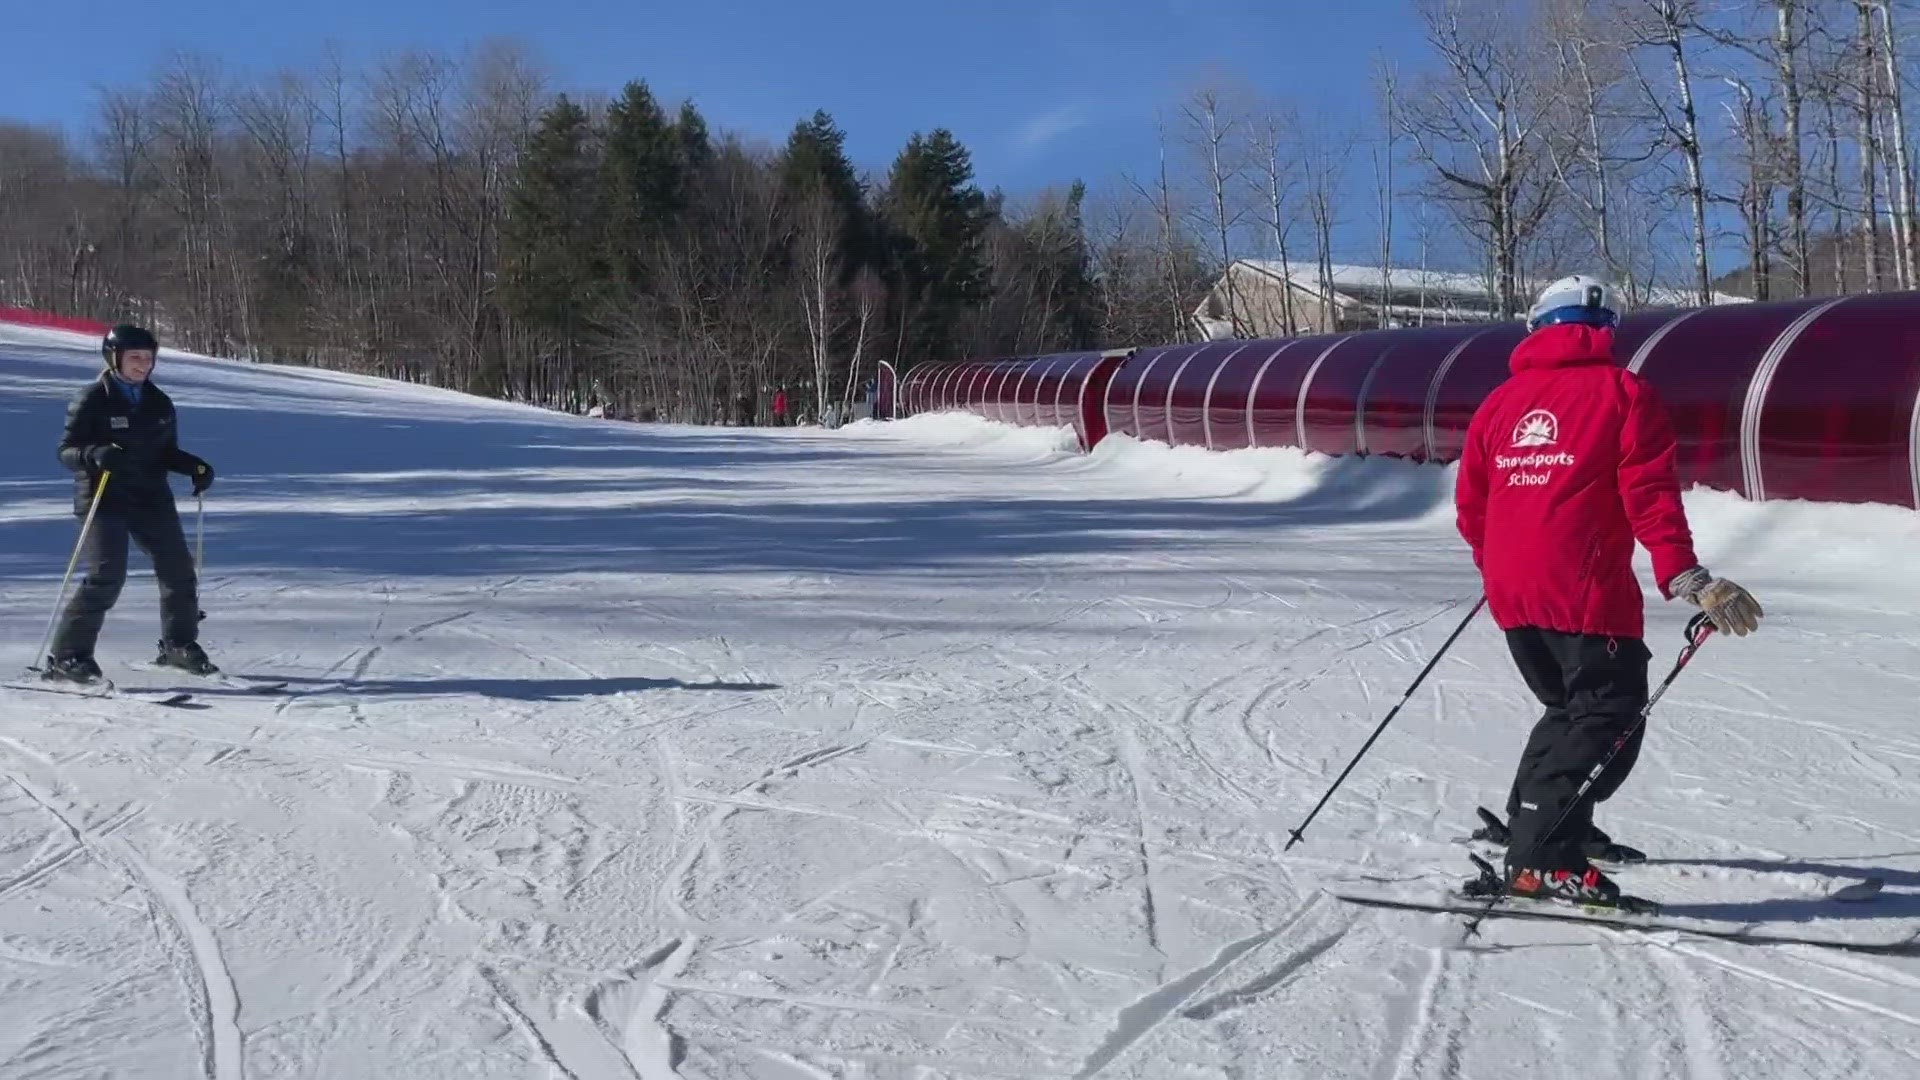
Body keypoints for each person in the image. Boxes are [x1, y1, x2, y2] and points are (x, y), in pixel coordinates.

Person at [1453, 275, 1764, 907]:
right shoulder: (1622, 392)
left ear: (1537, 328)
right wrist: (1686, 574)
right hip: (1583, 590)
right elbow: (1648, 495)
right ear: (1605, 331)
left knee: (1570, 708)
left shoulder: (1499, 403)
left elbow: (1472, 505)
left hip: (1514, 589)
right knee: (1607, 713)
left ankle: (1540, 820)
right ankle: (1543, 857)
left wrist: (1505, 564)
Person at [43, 323, 219, 682]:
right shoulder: (92, 398)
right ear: (114, 358)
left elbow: (164, 452)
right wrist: (96, 454)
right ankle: (68, 658)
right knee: (106, 576)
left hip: (149, 496)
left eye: (148, 358)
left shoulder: (158, 402)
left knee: (179, 572)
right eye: (134, 357)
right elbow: (66, 452)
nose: (143, 365)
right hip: (103, 496)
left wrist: (195, 467)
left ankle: (179, 646)